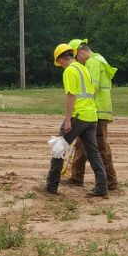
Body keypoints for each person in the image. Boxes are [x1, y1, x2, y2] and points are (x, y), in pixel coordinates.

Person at [33, 43, 109, 199]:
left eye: (58, 62)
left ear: (61, 58)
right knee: (93, 154)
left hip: (78, 116)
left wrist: (68, 120)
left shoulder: (69, 71)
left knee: (58, 148)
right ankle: (102, 188)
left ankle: (51, 186)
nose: (59, 65)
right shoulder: (83, 68)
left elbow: (71, 96)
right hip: (91, 116)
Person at [60, 38, 119, 190]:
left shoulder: (93, 62)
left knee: (99, 148)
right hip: (94, 111)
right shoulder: (99, 59)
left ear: (79, 52)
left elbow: (92, 87)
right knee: (81, 145)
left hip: (95, 111)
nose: (76, 61)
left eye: (76, 57)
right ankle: (76, 177)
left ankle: (110, 182)